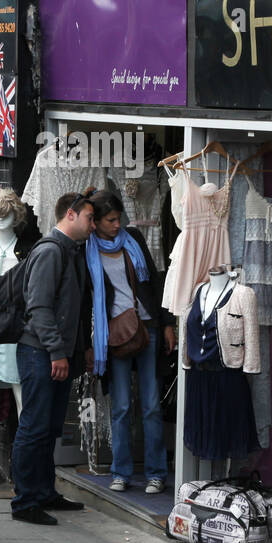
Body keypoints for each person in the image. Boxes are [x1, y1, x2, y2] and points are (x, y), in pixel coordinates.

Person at [10, 188, 96, 526]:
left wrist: (82, 348)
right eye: (89, 218)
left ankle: (44, 493)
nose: (93, 225)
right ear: (70, 214)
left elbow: (72, 308)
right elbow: (40, 307)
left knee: (47, 428)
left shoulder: (71, 251)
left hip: (55, 353)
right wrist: (57, 352)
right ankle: (25, 501)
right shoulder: (50, 251)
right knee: (33, 426)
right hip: (40, 353)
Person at [86, 190, 175, 493]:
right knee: (121, 405)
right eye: (110, 220)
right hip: (115, 333)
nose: (117, 224)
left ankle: (156, 472)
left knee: (150, 404)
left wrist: (166, 323)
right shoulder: (87, 248)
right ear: (95, 222)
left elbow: (154, 277)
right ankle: (120, 472)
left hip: (147, 325)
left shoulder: (133, 237)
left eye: (119, 218)